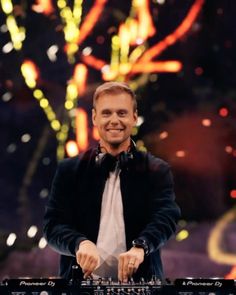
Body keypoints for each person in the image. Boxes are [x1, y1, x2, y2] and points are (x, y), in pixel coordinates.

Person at [43, 81, 181, 282]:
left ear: (134, 117)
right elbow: (53, 226)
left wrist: (141, 247)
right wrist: (79, 244)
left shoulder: (157, 170)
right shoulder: (69, 171)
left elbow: (166, 217)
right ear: (94, 117)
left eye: (122, 113)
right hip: (79, 285)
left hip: (140, 286)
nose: (114, 120)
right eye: (106, 113)